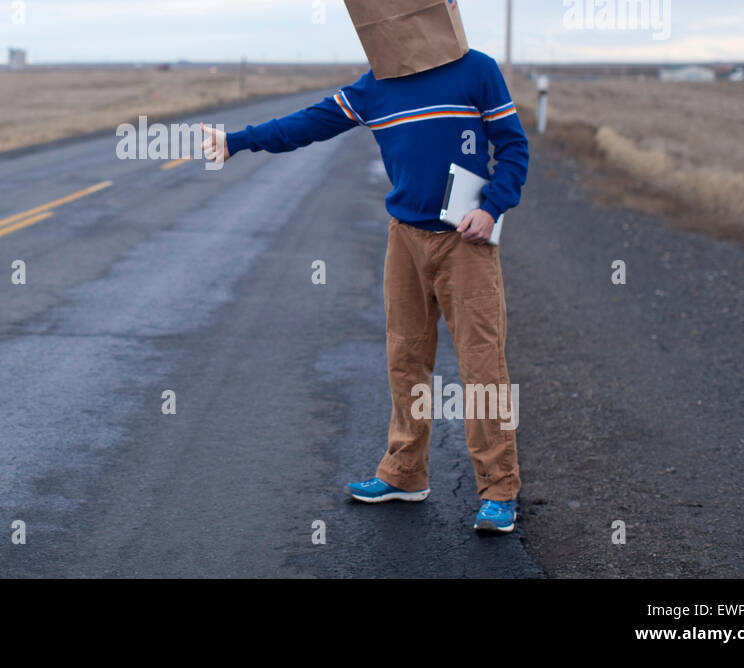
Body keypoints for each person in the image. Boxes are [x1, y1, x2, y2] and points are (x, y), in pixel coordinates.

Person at [200, 48, 530, 534]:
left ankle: (499, 490)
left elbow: (514, 147)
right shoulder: (378, 83)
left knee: (481, 363)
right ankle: (405, 473)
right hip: (405, 238)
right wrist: (237, 140)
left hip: (465, 240)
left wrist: (493, 206)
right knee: (405, 356)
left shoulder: (475, 69)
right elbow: (309, 123)